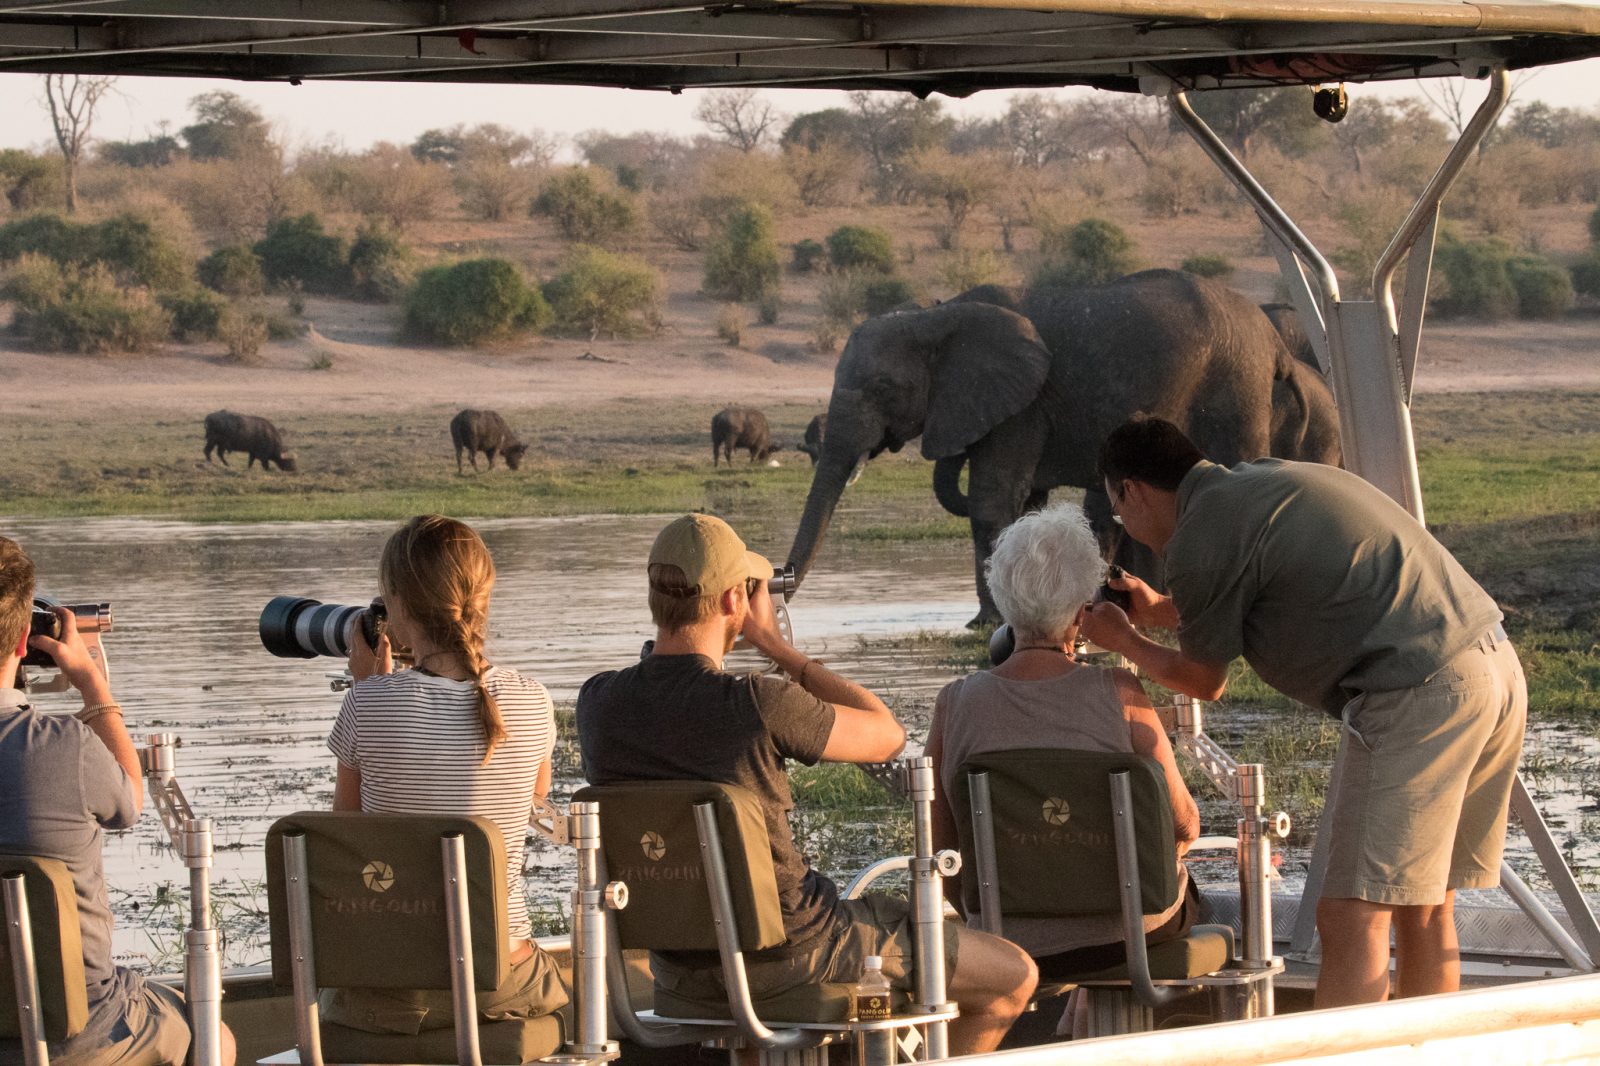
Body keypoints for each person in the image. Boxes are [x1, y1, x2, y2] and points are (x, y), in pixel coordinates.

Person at [1079, 417, 1527, 1008]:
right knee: (1425, 905)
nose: (1126, 525)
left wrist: (1124, 642)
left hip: (1417, 690)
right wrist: (1157, 610)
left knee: (1351, 913)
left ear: (1131, 491)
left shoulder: (1198, 535)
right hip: (1490, 668)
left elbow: (1202, 680)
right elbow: (1247, 593)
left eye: (1119, 511)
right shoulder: (1257, 483)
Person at [577, 513, 1037, 1055]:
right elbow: (887, 734)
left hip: (679, 975)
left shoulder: (598, 704)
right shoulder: (757, 701)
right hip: (802, 954)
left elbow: (665, 699)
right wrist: (775, 646)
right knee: (1013, 976)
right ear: (732, 603)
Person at [927, 503, 1202, 981]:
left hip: (1006, 942)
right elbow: (1185, 825)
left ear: (1004, 604)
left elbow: (941, 849)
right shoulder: (1121, 693)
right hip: (1132, 939)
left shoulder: (955, 704)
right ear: (1081, 613)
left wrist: (994, 915)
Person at [0, 536, 237, 1066]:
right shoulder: (63, 748)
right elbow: (129, 800)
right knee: (215, 1038)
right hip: (77, 1033)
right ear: (23, 644)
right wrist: (91, 684)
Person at [327, 514, 567, 1033]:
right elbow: (536, 797)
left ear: (398, 606)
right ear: (484, 595)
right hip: (502, 982)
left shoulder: (367, 704)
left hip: (392, 996)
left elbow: (344, 836)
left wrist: (371, 686)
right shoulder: (531, 700)